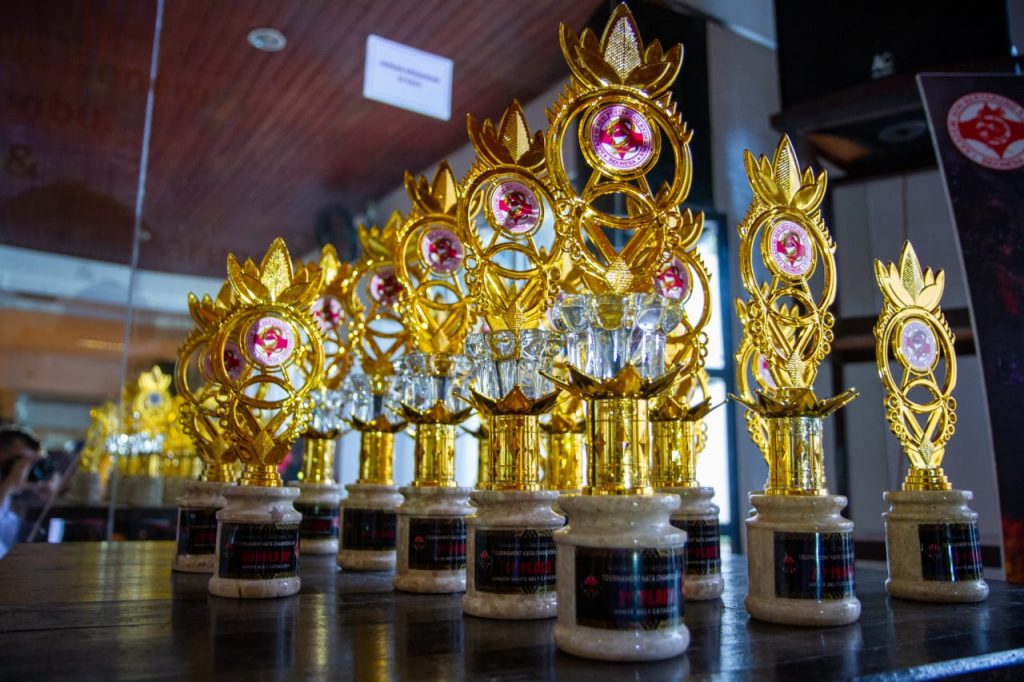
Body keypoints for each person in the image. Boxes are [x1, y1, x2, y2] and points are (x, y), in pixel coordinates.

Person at [0, 425, 44, 557]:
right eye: (19, 461)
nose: (23, 469)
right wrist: (7, 487)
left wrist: (48, 493)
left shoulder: (17, 499)